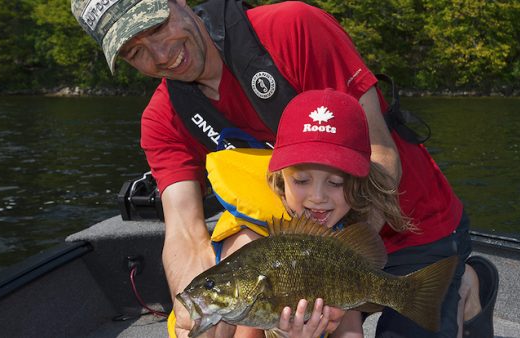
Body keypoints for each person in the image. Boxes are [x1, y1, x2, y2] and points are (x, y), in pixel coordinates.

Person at [70, 0, 497, 337]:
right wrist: (193, 318)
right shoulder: (162, 119)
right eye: (136, 51)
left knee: (415, 311)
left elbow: (382, 155)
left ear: (178, 1)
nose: (162, 54)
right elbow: (184, 231)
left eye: (157, 26)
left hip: (415, 228)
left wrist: (340, 259)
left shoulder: (294, 30)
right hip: (301, 262)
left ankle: (465, 287)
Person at [204, 88, 413, 338]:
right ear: (279, 175)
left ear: (358, 183)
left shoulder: (339, 246)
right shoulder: (251, 246)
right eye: (301, 181)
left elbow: (351, 333)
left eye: (335, 183)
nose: (317, 197)